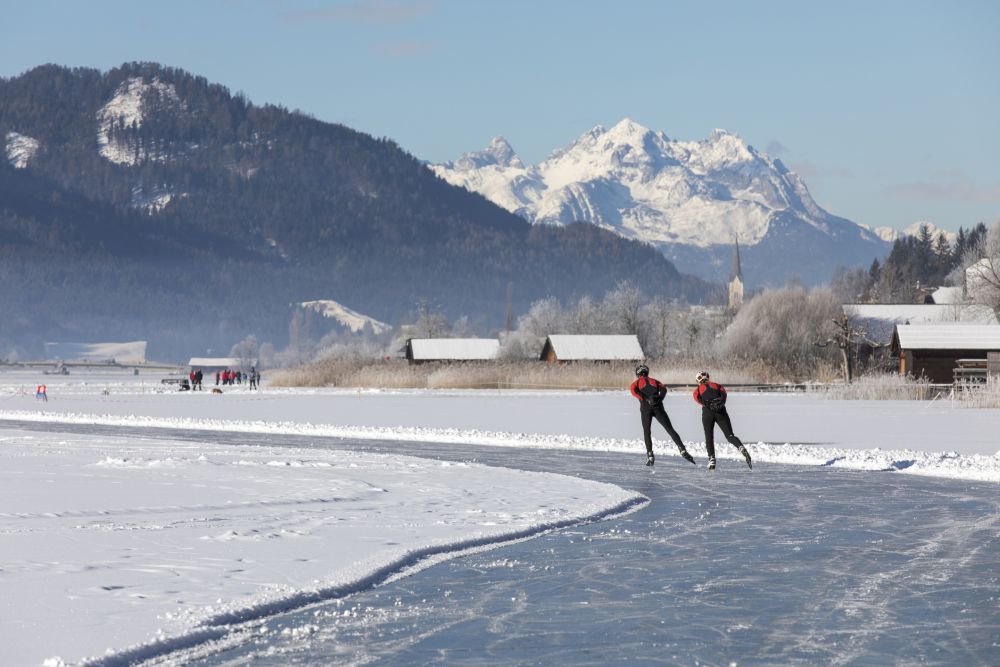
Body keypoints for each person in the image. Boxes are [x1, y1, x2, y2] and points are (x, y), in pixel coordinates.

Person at [630, 364, 696, 467]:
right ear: (647, 372)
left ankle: (650, 455)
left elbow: (633, 391)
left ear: (638, 374)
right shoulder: (655, 381)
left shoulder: (636, 383)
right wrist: (660, 398)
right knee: (670, 429)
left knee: (647, 432)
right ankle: (682, 449)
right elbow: (664, 389)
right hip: (658, 408)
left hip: (645, 409)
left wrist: (646, 399)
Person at [693, 371, 752, 471]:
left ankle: (711, 459)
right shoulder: (718, 386)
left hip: (708, 414)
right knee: (730, 436)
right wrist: (721, 402)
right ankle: (741, 447)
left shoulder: (697, 390)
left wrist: (708, 404)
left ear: (698, 380)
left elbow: (698, 400)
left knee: (709, 436)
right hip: (721, 412)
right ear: (708, 377)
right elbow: (724, 396)